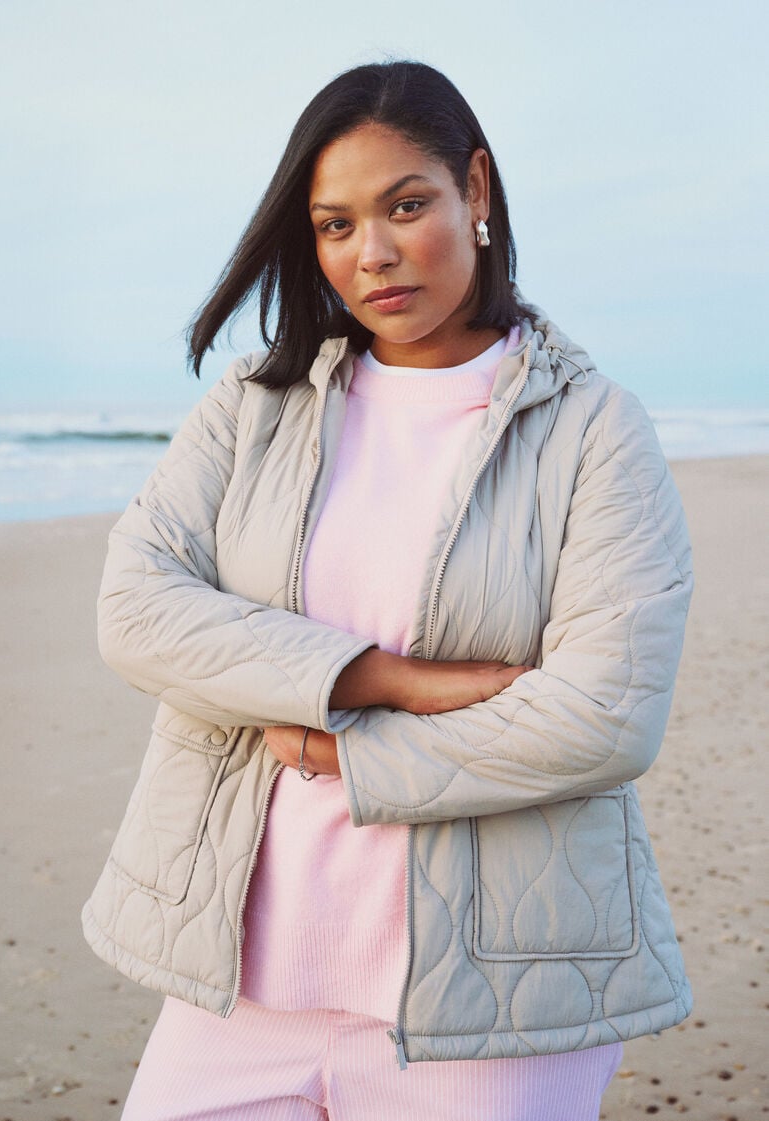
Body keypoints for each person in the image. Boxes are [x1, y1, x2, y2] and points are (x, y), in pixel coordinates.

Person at [82, 60, 693, 1121]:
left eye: (406, 205)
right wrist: (387, 679)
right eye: (333, 224)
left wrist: (340, 752)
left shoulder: (596, 428)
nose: (371, 254)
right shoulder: (253, 406)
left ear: (478, 192)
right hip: (244, 974)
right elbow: (136, 609)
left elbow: (605, 716)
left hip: (496, 995)